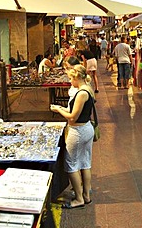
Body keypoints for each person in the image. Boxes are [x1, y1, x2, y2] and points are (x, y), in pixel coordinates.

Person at [50, 65, 94, 209]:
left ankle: (79, 198)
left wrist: (58, 110)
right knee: (85, 162)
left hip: (78, 131)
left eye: (70, 79)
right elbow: (75, 111)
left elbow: (73, 117)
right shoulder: (88, 88)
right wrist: (62, 108)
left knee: (71, 164)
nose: (70, 82)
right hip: (86, 128)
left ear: (76, 77)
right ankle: (86, 195)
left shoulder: (81, 93)